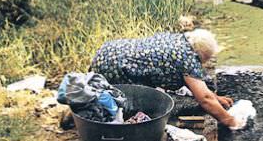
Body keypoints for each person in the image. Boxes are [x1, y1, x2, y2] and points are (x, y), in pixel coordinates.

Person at [90, 28, 239, 128]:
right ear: (202, 55)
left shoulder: (180, 41)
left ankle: (85, 105)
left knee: (100, 93)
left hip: (108, 51)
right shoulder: (187, 59)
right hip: (115, 66)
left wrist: (216, 98)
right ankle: (92, 116)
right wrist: (230, 120)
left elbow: (198, 87)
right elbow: (204, 99)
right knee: (124, 106)